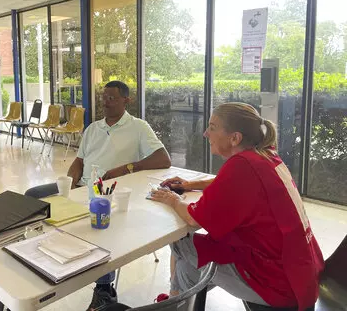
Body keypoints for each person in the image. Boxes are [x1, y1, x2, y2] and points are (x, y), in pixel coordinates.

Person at [150, 102, 324, 310]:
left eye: (212, 127)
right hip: (299, 274)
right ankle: (176, 301)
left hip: (276, 281)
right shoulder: (265, 156)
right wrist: (190, 185)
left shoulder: (241, 166)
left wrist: (172, 199)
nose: (206, 133)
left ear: (235, 138)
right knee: (187, 268)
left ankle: (175, 300)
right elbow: (227, 182)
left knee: (180, 241)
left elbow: (193, 218)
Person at [25, 80, 171, 311]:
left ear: (126, 100)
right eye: (104, 97)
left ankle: (104, 289)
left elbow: (163, 159)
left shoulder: (138, 127)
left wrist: (127, 168)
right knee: (32, 195)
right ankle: (35, 249)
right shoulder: (93, 128)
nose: (106, 102)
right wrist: (72, 183)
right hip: (83, 186)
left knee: (100, 225)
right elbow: (79, 161)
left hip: (109, 193)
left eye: (112, 98)